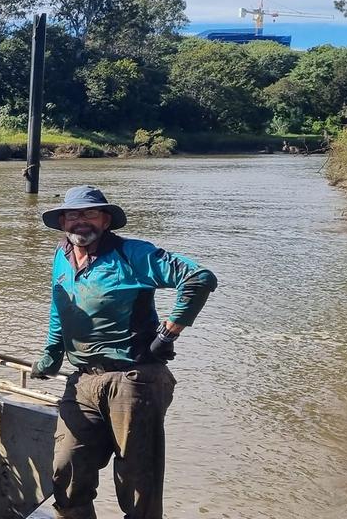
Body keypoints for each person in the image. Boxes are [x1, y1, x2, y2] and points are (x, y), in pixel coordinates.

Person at [29, 185, 218, 519]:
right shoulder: (61, 256)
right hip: (83, 380)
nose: (80, 222)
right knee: (67, 468)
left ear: (105, 220)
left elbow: (198, 278)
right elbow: (60, 309)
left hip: (133, 379)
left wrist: (168, 333)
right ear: (62, 222)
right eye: (73, 215)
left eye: (89, 214)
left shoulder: (134, 255)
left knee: (136, 482)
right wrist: (51, 353)